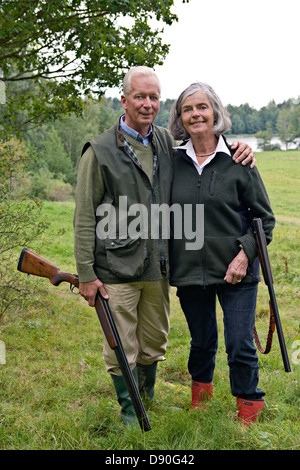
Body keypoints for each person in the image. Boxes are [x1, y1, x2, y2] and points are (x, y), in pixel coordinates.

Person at [74, 67, 255, 425]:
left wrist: (239, 148)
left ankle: (149, 399)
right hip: (116, 267)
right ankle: (130, 410)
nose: (146, 104)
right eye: (139, 97)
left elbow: (205, 149)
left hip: (158, 266)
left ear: (160, 102)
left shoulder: (163, 142)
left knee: (154, 340)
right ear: (124, 100)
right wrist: (86, 274)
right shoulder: (99, 150)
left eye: (153, 97)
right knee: (122, 344)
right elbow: (83, 216)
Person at [168, 82, 275, 427]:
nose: (196, 114)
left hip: (237, 271)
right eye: (187, 109)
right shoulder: (172, 162)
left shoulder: (238, 160)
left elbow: (265, 220)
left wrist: (244, 255)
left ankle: (249, 408)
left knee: (240, 342)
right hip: (190, 270)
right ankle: (201, 397)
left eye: (202, 107)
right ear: (180, 118)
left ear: (215, 112)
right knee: (201, 341)